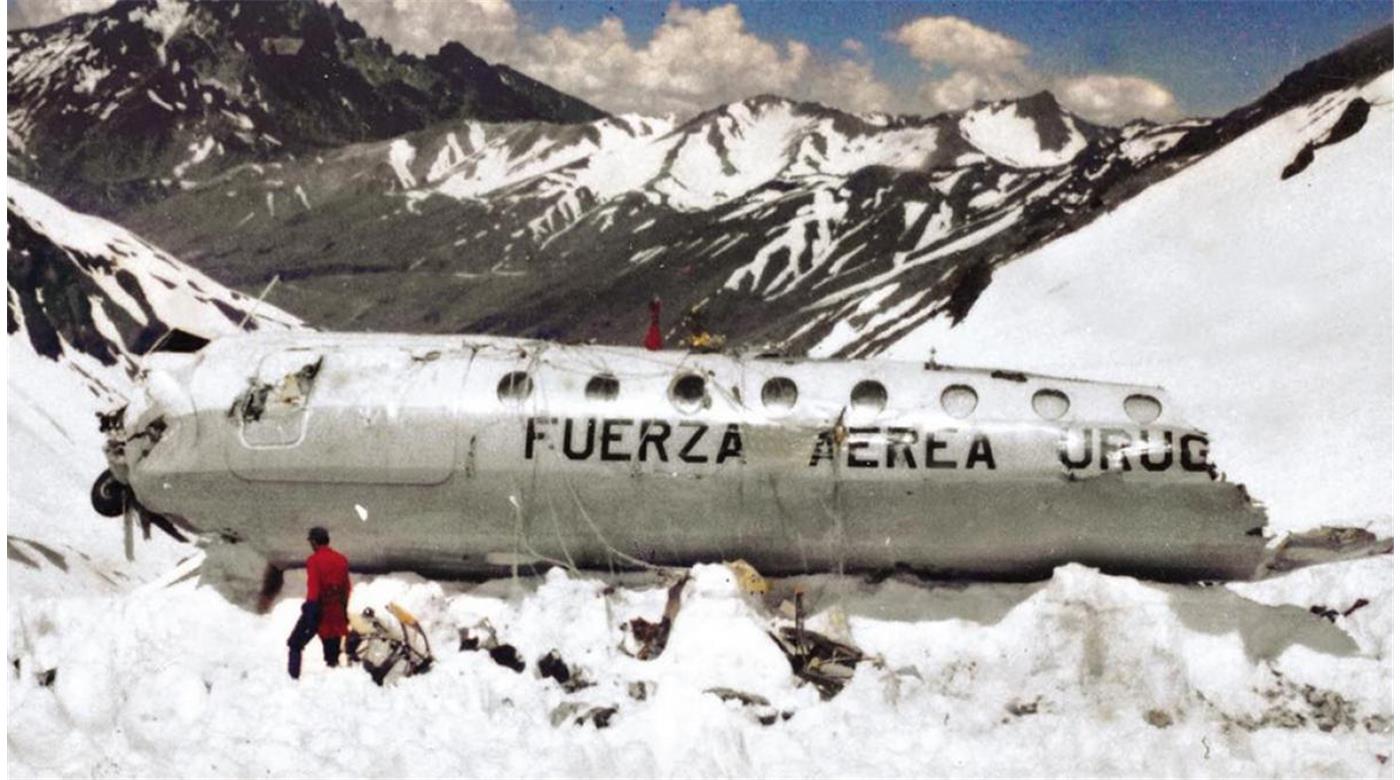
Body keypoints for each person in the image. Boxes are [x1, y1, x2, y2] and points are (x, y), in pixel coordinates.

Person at [286, 526, 352, 679]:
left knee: (295, 643)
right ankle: (334, 681)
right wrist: (343, 610)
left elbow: (314, 588)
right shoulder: (341, 559)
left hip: (319, 609)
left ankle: (292, 680)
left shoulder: (314, 560)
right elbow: (346, 588)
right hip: (336, 612)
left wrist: (310, 611)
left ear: (314, 542)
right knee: (332, 655)